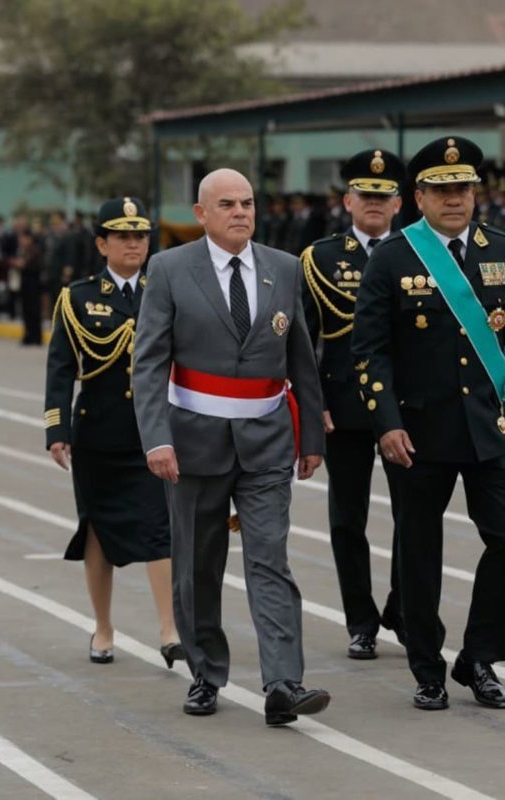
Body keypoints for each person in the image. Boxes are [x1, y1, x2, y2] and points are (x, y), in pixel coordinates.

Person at [350, 136, 505, 712]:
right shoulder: (394, 257)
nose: (455, 199)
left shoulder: (503, 250)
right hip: (418, 433)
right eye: (441, 190)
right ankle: (427, 669)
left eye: (463, 188)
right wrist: (386, 424)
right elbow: (370, 352)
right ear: (419, 197)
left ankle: (480, 659)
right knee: (419, 555)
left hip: (490, 427)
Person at [132, 169, 329, 726]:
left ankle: (284, 683)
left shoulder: (283, 268)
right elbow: (149, 361)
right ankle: (205, 672)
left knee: (270, 560)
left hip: (267, 439)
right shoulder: (170, 269)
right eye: (227, 204)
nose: (241, 212)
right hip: (193, 441)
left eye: (247, 203)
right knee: (198, 565)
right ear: (201, 214)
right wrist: (157, 438)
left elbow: (301, 357)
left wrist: (311, 438)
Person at [44, 197, 184, 669]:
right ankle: (103, 627)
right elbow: (61, 367)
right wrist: (57, 429)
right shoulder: (78, 297)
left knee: (159, 527)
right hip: (98, 436)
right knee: (97, 533)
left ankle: (169, 630)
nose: (134, 244)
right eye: (123, 236)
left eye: (140, 236)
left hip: (152, 434)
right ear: (102, 244)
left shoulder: (164, 290)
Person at [300, 149, 405, 658]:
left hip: (406, 406)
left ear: (399, 203)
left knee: (415, 515)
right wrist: (312, 402)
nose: (374, 203)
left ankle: (403, 608)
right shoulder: (320, 258)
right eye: (365, 195)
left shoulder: (419, 253)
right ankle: (361, 622)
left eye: (384, 196)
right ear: (347, 201)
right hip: (341, 405)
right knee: (347, 520)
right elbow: (303, 340)